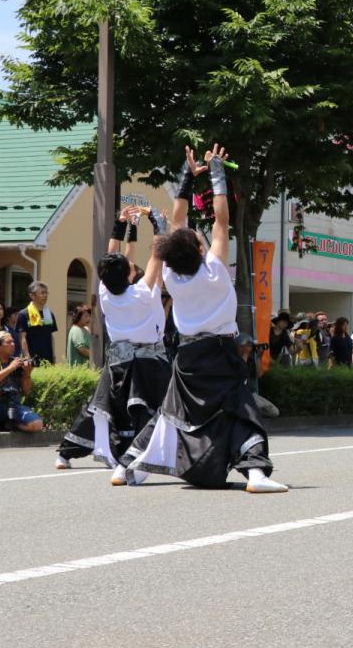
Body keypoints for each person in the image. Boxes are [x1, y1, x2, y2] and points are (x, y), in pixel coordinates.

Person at [120, 143, 287, 493]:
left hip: (188, 356)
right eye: (198, 237)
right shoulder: (215, 270)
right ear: (199, 249)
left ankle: (129, 467)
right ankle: (256, 473)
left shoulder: (171, 276)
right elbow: (221, 220)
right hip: (220, 353)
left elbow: (177, 222)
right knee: (241, 408)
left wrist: (188, 175)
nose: (200, 234)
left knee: (170, 412)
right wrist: (216, 171)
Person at [57, 206, 173, 471]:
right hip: (148, 363)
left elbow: (113, 258)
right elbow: (156, 255)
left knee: (101, 408)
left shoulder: (106, 292)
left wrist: (122, 224)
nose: (132, 264)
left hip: (119, 363)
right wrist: (157, 222)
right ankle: (135, 459)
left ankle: (66, 453)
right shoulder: (143, 293)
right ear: (129, 274)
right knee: (157, 409)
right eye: (130, 265)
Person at [0, 330, 43, 433]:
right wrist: (10, 368)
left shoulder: (17, 362)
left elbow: (27, 391)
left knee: (37, 425)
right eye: (9, 342)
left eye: (13, 341)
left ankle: (10, 425)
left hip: (14, 405)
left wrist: (27, 374)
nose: (13, 344)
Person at [237, 333, 280, 418]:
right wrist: (245, 355)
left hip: (251, 393)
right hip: (239, 394)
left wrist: (259, 357)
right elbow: (241, 374)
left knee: (274, 412)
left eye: (250, 346)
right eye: (248, 345)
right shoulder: (233, 359)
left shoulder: (250, 360)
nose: (250, 348)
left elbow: (258, 374)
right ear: (240, 346)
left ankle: (249, 411)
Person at [16, 281, 58, 365]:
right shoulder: (24, 314)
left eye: (46, 293)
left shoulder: (49, 314)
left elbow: (51, 335)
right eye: (42, 293)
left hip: (48, 359)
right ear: (32, 295)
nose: (45, 295)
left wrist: (53, 355)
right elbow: (22, 338)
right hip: (32, 358)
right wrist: (27, 357)